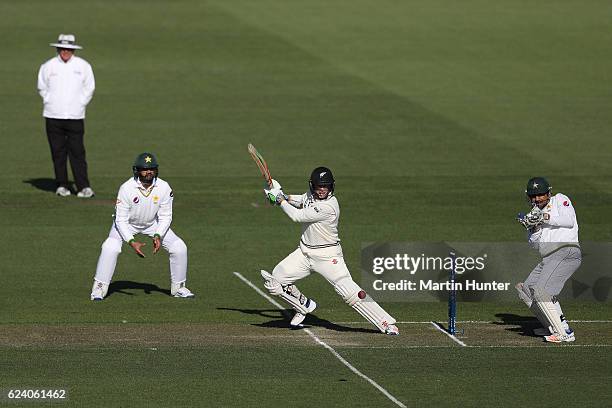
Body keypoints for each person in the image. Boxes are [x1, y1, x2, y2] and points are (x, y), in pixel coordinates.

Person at [261, 167, 399, 335]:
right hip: (304, 253)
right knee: (276, 281)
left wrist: (279, 200)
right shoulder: (312, 195)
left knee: (349, 293)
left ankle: (386, 323)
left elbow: (298, 216)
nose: (321, 190)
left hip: (328, 257)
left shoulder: (329, 207)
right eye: (318, 186)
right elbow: (302, 201)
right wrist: (284, 196)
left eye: (325, 186)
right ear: (313, 185)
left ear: (331, 186)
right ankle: (302, 304)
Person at [90, 153, 194, 300]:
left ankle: (179, 288)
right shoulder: (126, 188)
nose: (149, 172)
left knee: (179, 247)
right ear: (137, 170)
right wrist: (132, 242)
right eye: (145, 169)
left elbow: (165, 216)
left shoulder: (164, 187)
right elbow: (120, 220)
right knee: (110, 247)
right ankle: (99, 288)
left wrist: (158, 235)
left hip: (152, 224)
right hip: (127, 224)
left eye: (152, 168)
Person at [516, 177, 581, 343]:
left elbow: (569, 221)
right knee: (526, 289)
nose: (537, 199)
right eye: (533, 196)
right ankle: (553, 326)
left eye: (541, 195)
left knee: (541, 290)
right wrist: (535, 227)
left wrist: (543, 218)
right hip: (549, 257)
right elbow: (534, 244)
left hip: (566, 251)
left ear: (549, 193)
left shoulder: (560, 199)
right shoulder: (533, 214)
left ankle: (564, 334)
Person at [37, 34, 95, 198]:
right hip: (53, 116)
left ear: (73, 50)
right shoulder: (48, 66)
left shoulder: (83, 66)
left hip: (75, 117)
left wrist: (80, 103)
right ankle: (62, 185)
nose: (65, 52)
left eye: (68, 49)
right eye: (62, 49)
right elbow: (42, 87)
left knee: (77, 152)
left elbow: (89, 87)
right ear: (57, 49)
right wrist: (50, 101)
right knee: (58, 152)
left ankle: (84, 187)